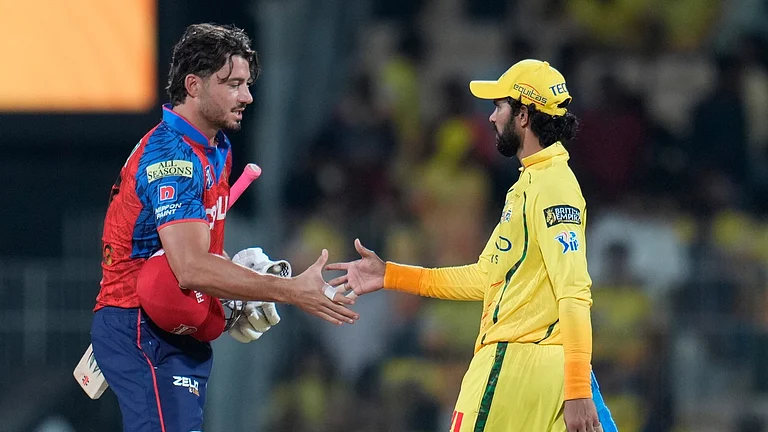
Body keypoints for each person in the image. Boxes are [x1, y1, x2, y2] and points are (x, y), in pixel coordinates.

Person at [90, 23, 358, 432]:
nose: (247, 96)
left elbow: (198, 255)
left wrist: (234, 286)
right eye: (232, 84)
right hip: (141, 326)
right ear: (193, 85)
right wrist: (289, 291)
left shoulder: (216, 148)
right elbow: (191, 269)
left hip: (175, 323)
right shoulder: (172, 159)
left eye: (247, 84)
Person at [327, 59, 618, 432]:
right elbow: (485, 278)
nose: (492, 118)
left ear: (525, 115)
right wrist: (391, 275)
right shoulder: (533, 183)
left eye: (499, 107)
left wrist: (577, 391)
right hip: (549, 369)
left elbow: (575, 292)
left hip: (514, 370)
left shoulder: (551, 187)